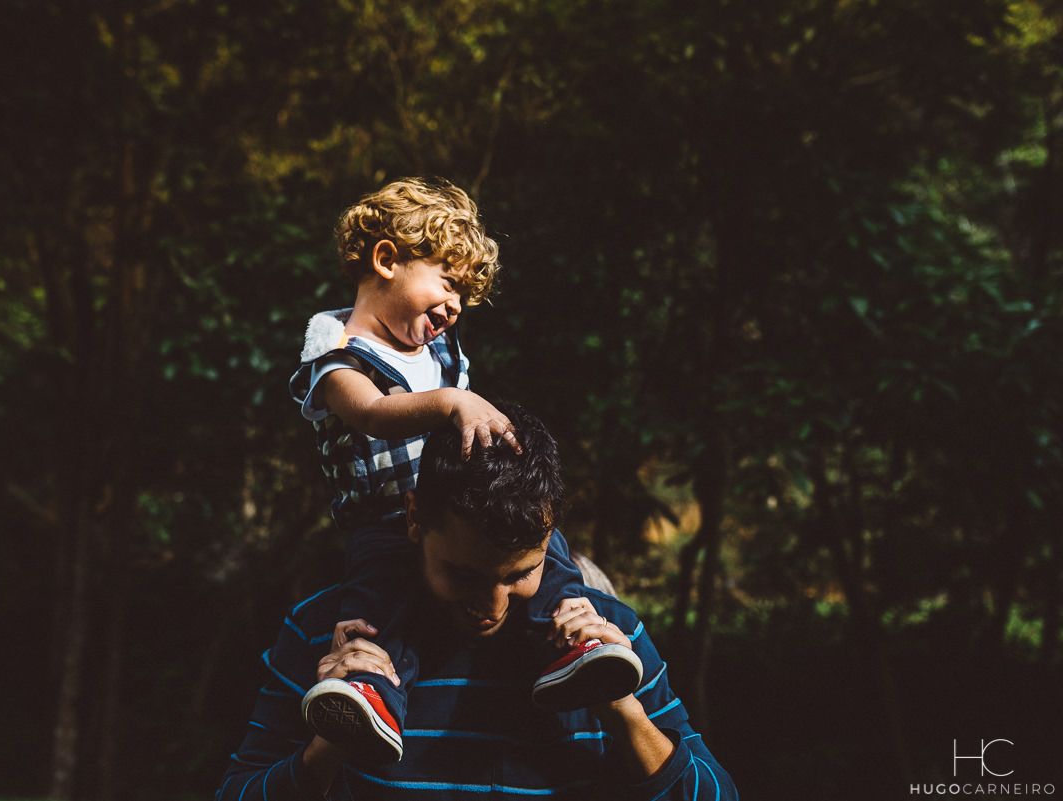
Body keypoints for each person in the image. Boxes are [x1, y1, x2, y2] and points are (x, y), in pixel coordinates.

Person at [287, 178, 641, 764]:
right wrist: (453, 403)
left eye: (463, 298)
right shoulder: (336, 355)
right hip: (382, 520)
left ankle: (572, 643)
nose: (454, 306)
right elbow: (373, 413)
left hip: (454, 514)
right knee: (377, 610)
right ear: (386, 260)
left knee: (544, 554)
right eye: (448, 283)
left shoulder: (441, 356)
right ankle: (369, 695)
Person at [217, 407, 737, 800]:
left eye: (521, 574)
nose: (491, 605)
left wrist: (624, 711)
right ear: (415, 518)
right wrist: (331, 741)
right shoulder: (328, 632)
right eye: (464, 574)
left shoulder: (606, 638)